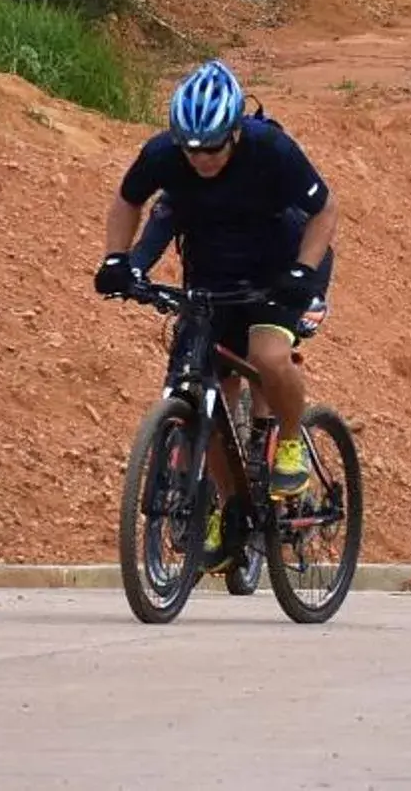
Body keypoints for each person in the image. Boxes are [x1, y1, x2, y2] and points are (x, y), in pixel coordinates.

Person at [96, 61, 334, 503]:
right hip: (211, 273)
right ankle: (229, 504)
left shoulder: (271, 148)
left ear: (235, 132)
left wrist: (302, 272)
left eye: (213, 148)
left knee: (268, 355)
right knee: (209, 391)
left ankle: (289, 442)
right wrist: (117, 259)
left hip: (278, 267)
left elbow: (324, 211)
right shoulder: (163, 153)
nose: (202, 158)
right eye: (191, 149)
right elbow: (129, 201)